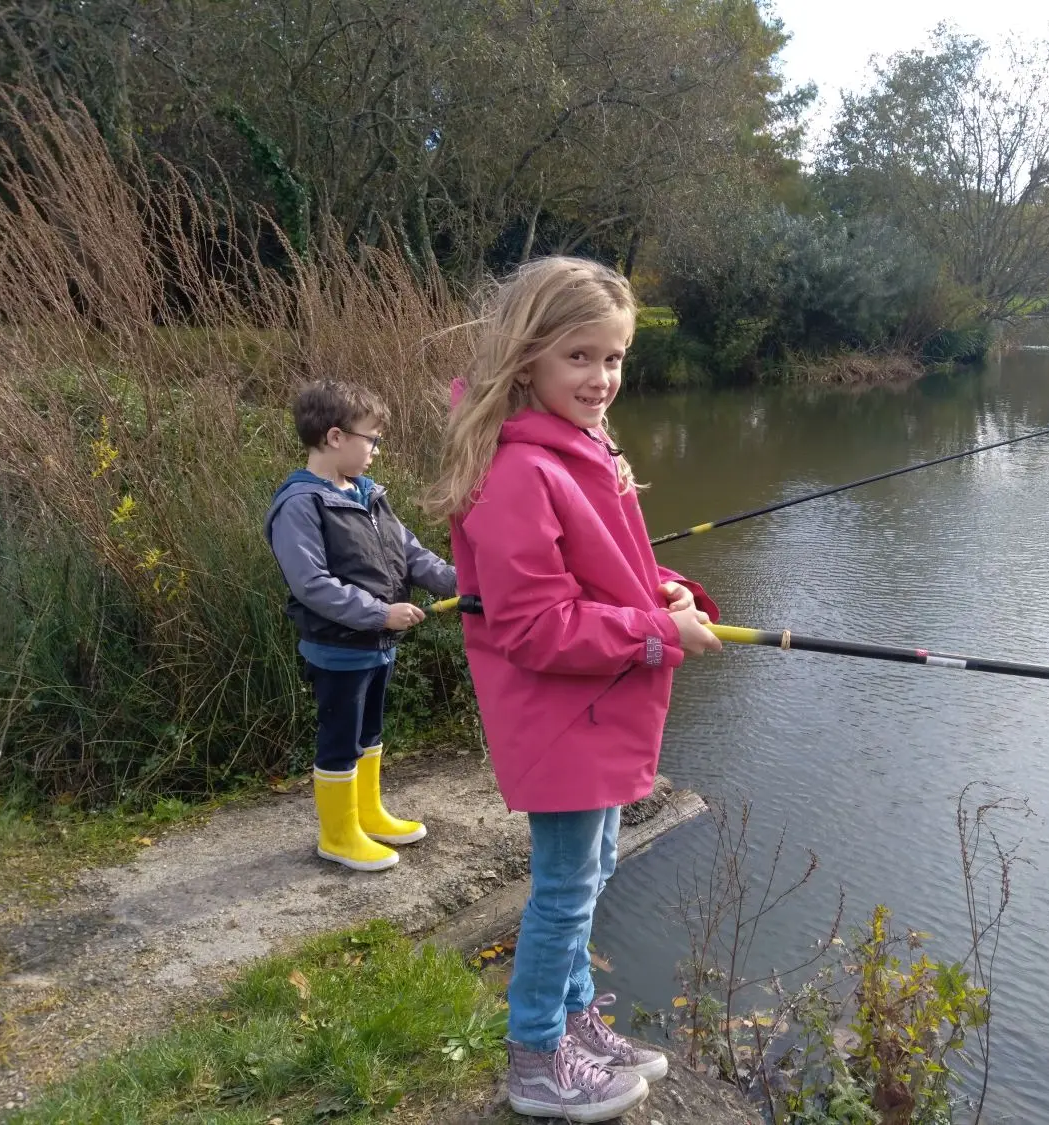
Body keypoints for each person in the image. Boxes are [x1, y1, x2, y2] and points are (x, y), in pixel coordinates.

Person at [425, 257, 721, 1121]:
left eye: (616, 358)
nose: (603, 379)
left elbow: (604, 568)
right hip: (560, 718)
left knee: (594, 868)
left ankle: (573, 1019)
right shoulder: (519, 471)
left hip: (595, 706)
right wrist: (660, 632)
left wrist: (665, 589)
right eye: (581, 358)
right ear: (528, 359)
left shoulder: (581, 446)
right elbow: (533, 625)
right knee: (564, 885)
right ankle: (533, 1056)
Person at [265, 380, 456, 872]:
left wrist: (462, 581)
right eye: (371, 438)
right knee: (340, 739)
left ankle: (367, 813)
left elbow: (410, 553)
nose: (375, 449)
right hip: (339, 648)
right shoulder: (300, 504)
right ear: (334, 437)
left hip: (378, 645)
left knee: (370, 731)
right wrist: (379, 613)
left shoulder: (369, 494)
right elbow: (312, 584)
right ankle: (338, 835)